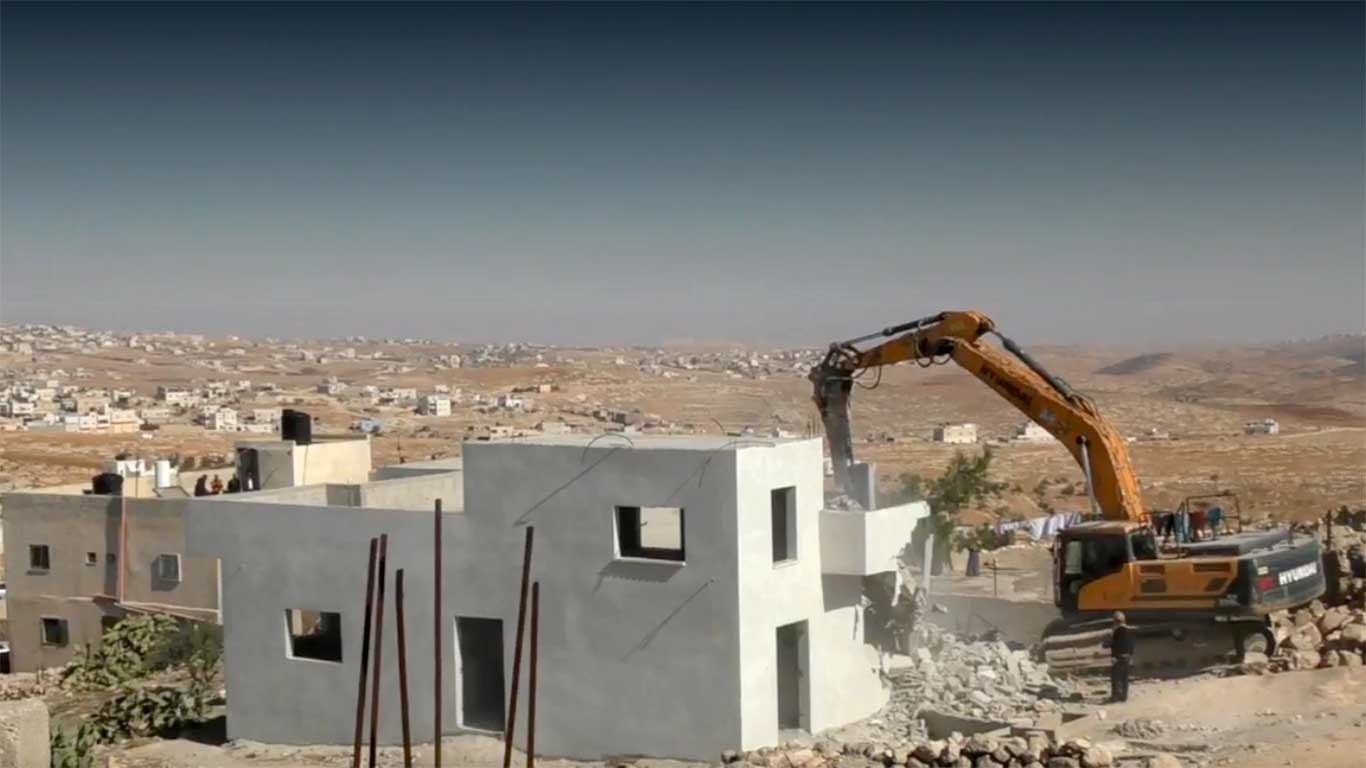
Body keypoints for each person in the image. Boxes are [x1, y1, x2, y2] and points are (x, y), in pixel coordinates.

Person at [1110, 611, 1135, 703]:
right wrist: (1131, 656)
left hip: (1118, 657)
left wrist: (1113, 656)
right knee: (1125, 678)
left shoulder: (1117, 632)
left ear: (1116, 621)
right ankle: (1124, 697)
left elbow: (1115, 645)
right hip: (1127, 657)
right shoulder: (1129, 631)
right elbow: (1132, 645)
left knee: (1116, 678)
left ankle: (1115, 697)